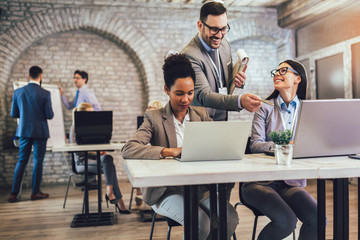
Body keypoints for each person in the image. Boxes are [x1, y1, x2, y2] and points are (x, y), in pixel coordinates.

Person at [122, 53, 238, 239]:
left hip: (200, 188)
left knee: (229, 218)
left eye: (190, 93)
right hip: (167, 190)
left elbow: (215, 145)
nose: (186, 99)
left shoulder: (201, 115)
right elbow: (128, 148)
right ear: (167, 90)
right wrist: (170, 152)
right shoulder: (154, 118)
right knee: (200, 223)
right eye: (179, 93)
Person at [242, 60, 317, 240]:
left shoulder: (309, 109)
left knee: (317, 219)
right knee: (286, 221)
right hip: (260, 182)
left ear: (298, 78)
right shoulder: (265, 107)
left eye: (283, 70)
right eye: (275, 71)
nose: (277, 73)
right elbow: (255, 144)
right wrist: (283, 146)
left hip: (290, 183)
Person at [181, 1, 261, 121]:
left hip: (222, 120)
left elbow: (225, 82)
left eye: (223, 29)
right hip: (200, 124)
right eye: (214, 29)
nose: (219, 35)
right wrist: (240, 101)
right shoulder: (189, 55)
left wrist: (237, 81)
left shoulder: (224, 45)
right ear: (200, 25)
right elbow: (204, 96)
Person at [70, 102, 130, 214]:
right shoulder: (75, 128)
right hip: (82, 162)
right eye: (89, 113)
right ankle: (119, 201)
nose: (92, 116)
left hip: (95, 159)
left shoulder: (91, 126)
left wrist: (99, 152)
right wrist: (96, 153)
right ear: (81, 115)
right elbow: (78, 152)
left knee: (108, 159)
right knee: (110, 167)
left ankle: (110, 191)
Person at [8, 66, 54, 203]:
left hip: (23, 131)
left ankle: (14, 194)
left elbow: (13, 114)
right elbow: (50, 115)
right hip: (40, 131)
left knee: (22, 160)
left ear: (29, 76)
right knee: (38, 161)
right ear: (41, 76)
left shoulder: (18, 92)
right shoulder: (45, 93)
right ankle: (35, 193)